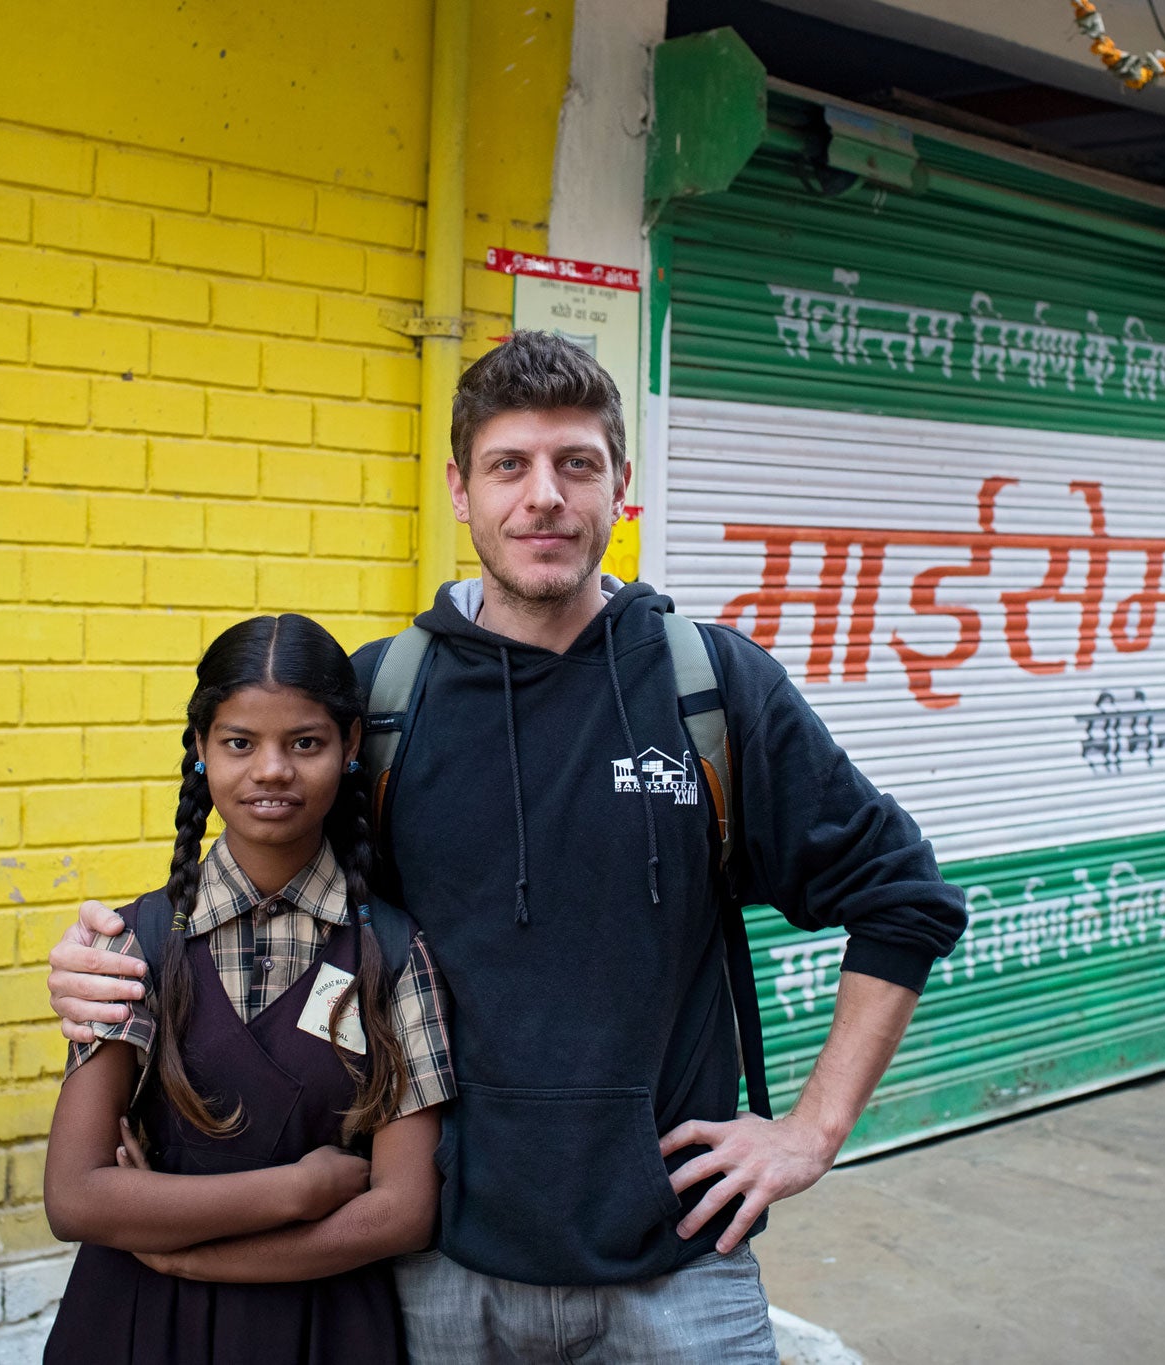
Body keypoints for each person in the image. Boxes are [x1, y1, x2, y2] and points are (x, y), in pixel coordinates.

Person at [48, 332, 967, 1362]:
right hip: (438, 1266)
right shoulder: (385, 700)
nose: (544, 497)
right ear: (459, 488)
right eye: (508, 466)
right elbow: (263, 895)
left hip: (677, 1264)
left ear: (618, 484)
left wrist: (808, 1132)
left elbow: (904, 900)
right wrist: (103, 959)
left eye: (576, 464)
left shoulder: (708, 688)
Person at [40, 613, 453, 1365]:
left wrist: (185, 1253)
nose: (271, 770)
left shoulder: (394, 952)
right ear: (200, 749)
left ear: (350, 746)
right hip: (135, 1325)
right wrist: (299, 1189)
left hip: (323, 1327)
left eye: (305, 742)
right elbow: (75, 1195)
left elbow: (403, 1211)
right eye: (239, 742)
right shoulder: (133, 939)